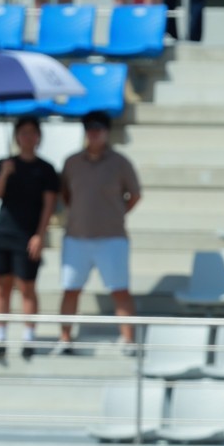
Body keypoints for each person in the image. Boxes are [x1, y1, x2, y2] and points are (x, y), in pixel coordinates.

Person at [57, 112, 141, 354]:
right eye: (90, 129)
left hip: (112, 237)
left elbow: (134, 195)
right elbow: (66, 195)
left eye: (99, 129)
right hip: (77, 237)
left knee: (120, 289)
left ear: (106, 132)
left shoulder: (120, 162)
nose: (94, 133)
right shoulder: (72, 162)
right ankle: (65, 339)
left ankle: (128, 339)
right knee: (70, 288)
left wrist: (116, 214)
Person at [0, 118, 59, 363]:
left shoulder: (46, 168)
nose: (28, 137)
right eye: (23, 133)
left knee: (27, 286)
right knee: (1, 285)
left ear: (39, 137)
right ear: (17, 136)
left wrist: (40, 235)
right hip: (3, 233)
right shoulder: (4, 163)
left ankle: (29, 336)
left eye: (32, 132)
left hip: (28, 235)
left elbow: (49, 204)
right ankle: (0, 335)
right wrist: (5, 173)